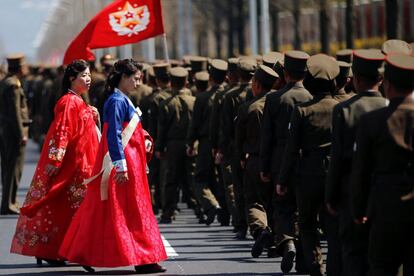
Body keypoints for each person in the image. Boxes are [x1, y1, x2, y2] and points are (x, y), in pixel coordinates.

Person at [59, 59, 167, 274]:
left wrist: (144, 138)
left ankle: (92, 253)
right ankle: (143, 259)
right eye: (134, 79)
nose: (138, 83)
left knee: (113, 210)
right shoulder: (117, 101)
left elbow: (129, 130)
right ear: (124, 78)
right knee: (130, 210)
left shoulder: (121, 99)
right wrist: (120, 165)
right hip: (124, 162)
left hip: (131, 160)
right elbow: (114, 134)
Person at [10, 59, 100, 264]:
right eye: (83, 76)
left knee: (67, 208)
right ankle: (54, 249)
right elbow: (62, 132)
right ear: (71, 78)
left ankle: (56, 249)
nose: (88, 79)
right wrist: (56, 159)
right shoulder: (69, 101)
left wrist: (92, 114)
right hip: (72, 165)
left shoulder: (78, 100)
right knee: (69, 207)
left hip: (81, 163)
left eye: (88, 75)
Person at [325, 49, 388, 276]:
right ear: (381, 79)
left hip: (350, 188)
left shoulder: (344, 110)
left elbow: (337, 159)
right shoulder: (390, 106)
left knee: (352, 250)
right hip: (383, 187)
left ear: (356, 79)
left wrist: (331, 196)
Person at [351, 53, 414, 276]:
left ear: (386, 84)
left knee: (382, 267)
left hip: (385, 207)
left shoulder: (372, 121)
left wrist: (358, 211)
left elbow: (361, 171)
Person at [277, 54, 340, 275]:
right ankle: (334, 264)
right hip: (335, 172)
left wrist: (283, 180)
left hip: (308, 172)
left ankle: (314, 264)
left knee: (306, 221)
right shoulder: (341, 108)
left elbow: (291, 149)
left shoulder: (302, 110)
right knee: (332, 222)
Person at [260, 50, 313, 273]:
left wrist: (264, 167)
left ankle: (287, 240)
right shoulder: (312, 97)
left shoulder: (273, 99)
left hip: (279, 158)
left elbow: (267, 138)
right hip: (305, 159)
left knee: (281, 205)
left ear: (285, 72)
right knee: (303, 209)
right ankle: (302, 256)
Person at [235, 65, 278, 258]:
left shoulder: (248, 108)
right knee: (276, 203)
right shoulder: (281, 102)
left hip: (254, 160)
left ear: (257, 85)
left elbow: (239, 140)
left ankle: (260, 230)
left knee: (253, 201)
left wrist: (239, 159)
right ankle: (280, 240)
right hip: (277, 160)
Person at [156, 67, 195, 223]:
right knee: (191, 178)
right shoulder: (194, 101)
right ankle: (201, 209)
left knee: (171, 180)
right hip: (190, 144)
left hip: (172, 145)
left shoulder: (165, 103)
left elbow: (162, 130)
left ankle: (168, 213)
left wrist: (159, 148)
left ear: (171, 83)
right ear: (186, 82)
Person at [0, 54, 30, 215]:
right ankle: (7, 204)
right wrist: (21, 134)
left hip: (7, 131)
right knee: (13, 169)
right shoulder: (13, 85)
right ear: (20, 68)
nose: (26, 69)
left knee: (9, 168)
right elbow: (15, 112)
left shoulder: (7, 82)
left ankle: (10, 201)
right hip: (13, 133)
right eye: (24, 66)